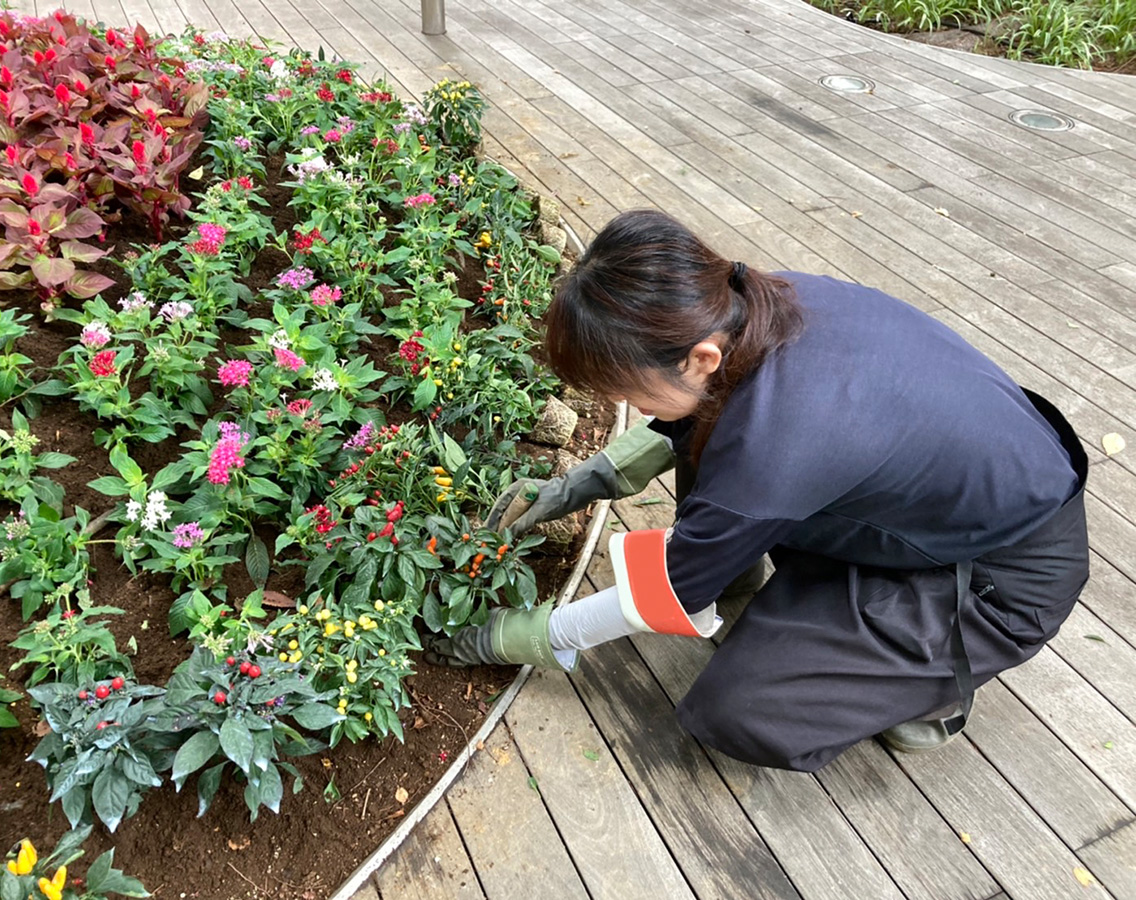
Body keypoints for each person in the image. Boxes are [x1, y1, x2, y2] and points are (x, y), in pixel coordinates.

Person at [426, 209, 1089, 773]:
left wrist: (519, 636)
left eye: (625, 388)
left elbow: (660, 597)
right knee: (705, 433)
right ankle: (815, 612)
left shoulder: (776, 449)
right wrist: (579, 485)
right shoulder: (756, 302)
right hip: (947, 492)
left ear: (701, 355)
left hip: (999, 577)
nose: (622, 403)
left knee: (736, 707)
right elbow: (690, 418)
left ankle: (931, 686)